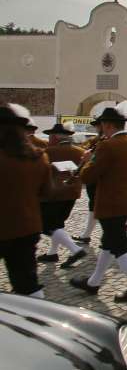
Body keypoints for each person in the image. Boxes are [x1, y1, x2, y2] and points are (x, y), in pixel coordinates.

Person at [70, 101, 127, 303]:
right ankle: (94, 282)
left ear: (109, 125)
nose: (101, 128)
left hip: (111, 203)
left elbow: (88, 177)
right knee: (108, 243)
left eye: (103, 124)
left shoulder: (107, 145)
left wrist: (87, 160)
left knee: (119, 245)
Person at [0, 103, 51, 298]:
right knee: (28, 283)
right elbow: (46, 192)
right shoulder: (38, 157)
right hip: (26, 227)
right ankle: (36, 320)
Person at [38, 122, 87, 268]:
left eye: (51, 136)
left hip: (53, 194)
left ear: (55, 138)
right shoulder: (80, 151)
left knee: (46, 225)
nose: (49, 138)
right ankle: (53, 253)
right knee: (58, 224)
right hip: (72, 192)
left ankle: (75, 249)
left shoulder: (48, 152)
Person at [72, 121, 102, 244]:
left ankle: (88, 235)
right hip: (93, 176)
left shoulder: (106, 141)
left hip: (97, 176)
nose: (97, 128)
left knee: (97, 204)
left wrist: (89, 159)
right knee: (93, 203)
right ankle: (87, 234)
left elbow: (98, 159)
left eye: (98, 125)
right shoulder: (98, 139)